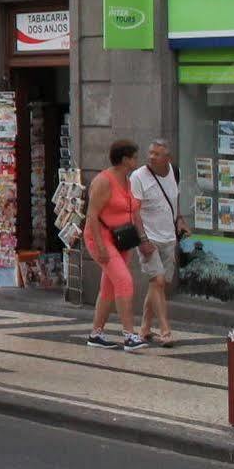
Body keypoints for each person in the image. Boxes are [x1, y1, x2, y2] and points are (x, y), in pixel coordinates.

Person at [83, 139, 149, 353]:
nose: (136, 161)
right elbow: (92, 215)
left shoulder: (128, 181)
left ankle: (96, 333)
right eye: (134, 157)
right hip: (100, 238)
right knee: (124, 281)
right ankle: (129, 335)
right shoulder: (104, 181)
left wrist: (143, 239)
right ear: (125, 159)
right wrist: (101, 246)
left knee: (109, 287)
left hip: (122, 239)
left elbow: (134, 212)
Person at [133, 140, 186, 347]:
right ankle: (165, 329)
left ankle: (145, 328)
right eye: (150, 152)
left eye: (157, 154)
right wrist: (143, 241)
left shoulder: (174, 171)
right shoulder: (138, 177)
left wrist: (179, 218)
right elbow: (134, 212)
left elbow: (174, 198)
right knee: (158, 282)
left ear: (168, 159)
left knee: (157, 286)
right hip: (149, 238)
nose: (152, 156)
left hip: (169, 237)